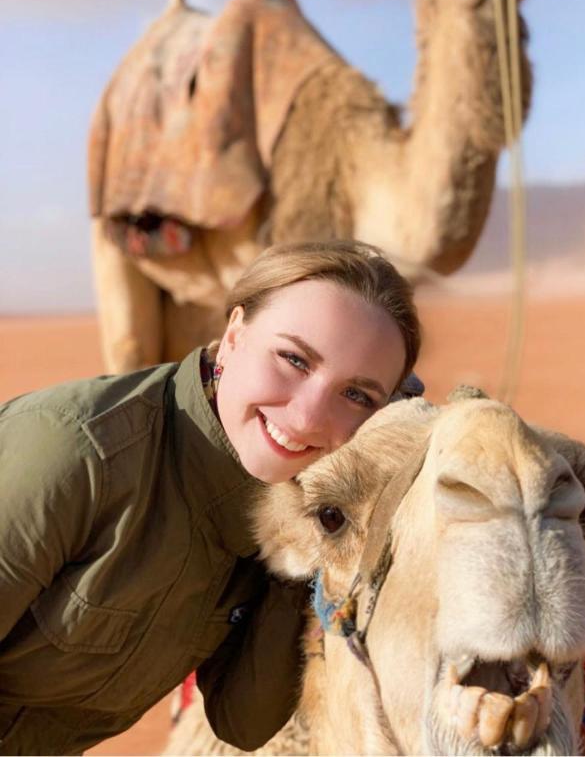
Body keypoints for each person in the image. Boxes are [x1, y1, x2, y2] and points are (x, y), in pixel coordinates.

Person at [0, 240, 421, 755]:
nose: (310, 417)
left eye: (356, 395)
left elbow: (243, 721)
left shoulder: (279, 502)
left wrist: (305, 541)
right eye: (293, 359)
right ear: (235, 335)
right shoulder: (76, 453)